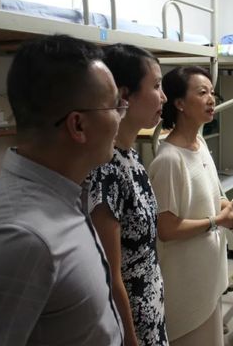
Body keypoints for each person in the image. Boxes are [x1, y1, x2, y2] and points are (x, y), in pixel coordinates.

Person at [0, 35, 124, 344]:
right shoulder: (22, 237)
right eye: (115, 106)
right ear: (78, 125)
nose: (121, 116)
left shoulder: (64, 191)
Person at [149, 66, 233, 346]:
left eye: (212, 92)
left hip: (208, 272)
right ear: (179, 103)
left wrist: (231, 209)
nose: (211, 99)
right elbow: (166, 229)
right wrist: (218, 221)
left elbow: (213, 198)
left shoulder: (200, 143)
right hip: (185, 279)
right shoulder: (169, 160)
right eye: (202, 92)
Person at [88, 44, 169, 346]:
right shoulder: (105, 171)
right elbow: (111, 274)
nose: (163, 97)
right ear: (124, 95)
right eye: (156, 86)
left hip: (150, 307)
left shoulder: (131, 156)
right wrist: (130, 338)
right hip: (130, 320)